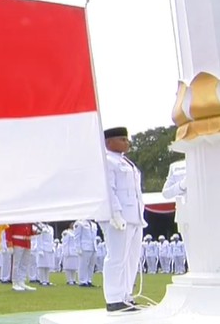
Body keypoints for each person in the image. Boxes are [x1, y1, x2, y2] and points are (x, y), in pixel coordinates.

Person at [99, 126, 146, 314]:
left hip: (134, 217)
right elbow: (108, 190)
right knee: (117, 257)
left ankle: (126, 295)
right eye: (122, 139)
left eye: (127, 139)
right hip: (117, 217)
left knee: (131, 258)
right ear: (109, 142)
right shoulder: (107, 161)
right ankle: (114, 298)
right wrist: (116, 213)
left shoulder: (125, 161)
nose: (127, 142)